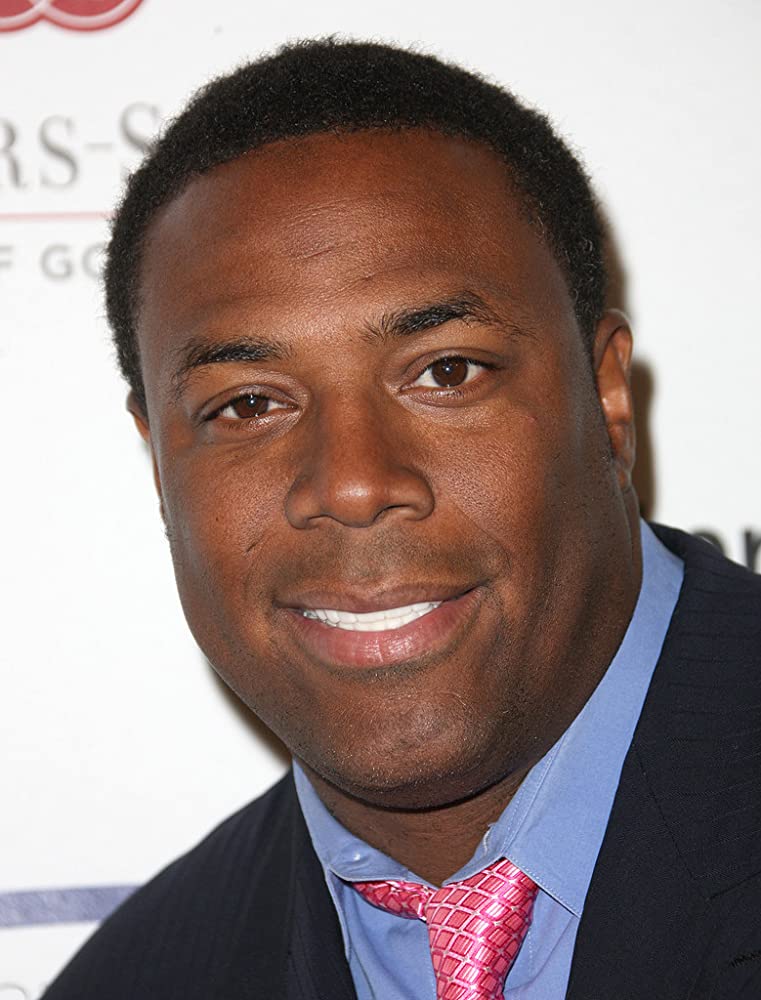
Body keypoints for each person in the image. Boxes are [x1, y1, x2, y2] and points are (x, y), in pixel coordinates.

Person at [43, 37, 761, 1000]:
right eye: (248, 404)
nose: (352, 484)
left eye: (445, 372)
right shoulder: (137, 979)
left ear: (605, 398)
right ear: (159, 465)